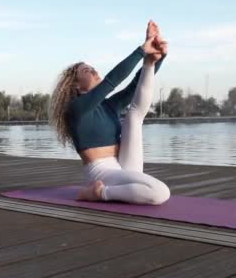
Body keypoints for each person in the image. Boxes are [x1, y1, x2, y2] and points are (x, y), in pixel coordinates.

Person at [49, 20, 170, 205]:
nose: (94, 70)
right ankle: (99, 193)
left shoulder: (108, 106)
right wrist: (140, 50)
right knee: (161, 193)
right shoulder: (77, 109)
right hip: (101, 173)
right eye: (87, 70)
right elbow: (111, 81)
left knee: (134, 116)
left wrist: (154, 60)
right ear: (76, 85)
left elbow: (134, 88)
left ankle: (149, 63)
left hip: (123, 164)